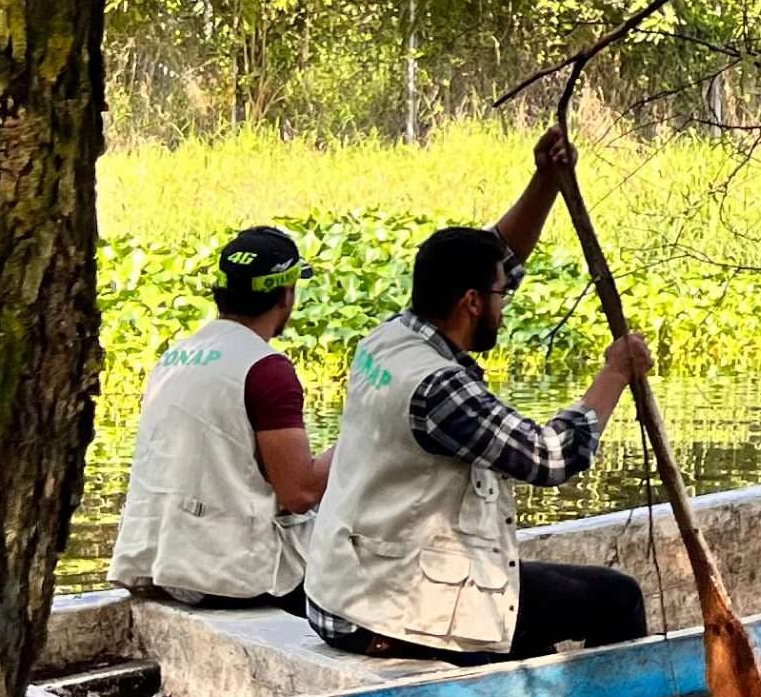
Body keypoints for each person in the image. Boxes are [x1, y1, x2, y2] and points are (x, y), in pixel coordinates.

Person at [303, 128, 653, 662]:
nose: (505, 301)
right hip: (390, 610)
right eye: (501, 295)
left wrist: (545, 182)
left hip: (343, 591)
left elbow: (499, 257)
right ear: (470, 303)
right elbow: (552, 457)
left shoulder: (389, 335)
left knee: (537, 616)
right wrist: (616, 373)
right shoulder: (439, 389)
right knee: (617, 599)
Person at [109, 223, 326, 610]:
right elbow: (300, 494)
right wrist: (365, 434)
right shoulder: (267, 368)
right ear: (286, 296)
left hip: (161, 562)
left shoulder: (174, 357)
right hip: (228, 575)